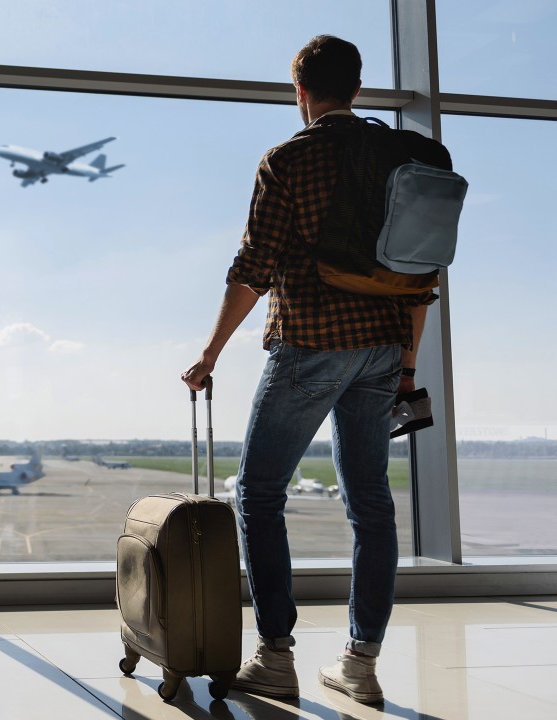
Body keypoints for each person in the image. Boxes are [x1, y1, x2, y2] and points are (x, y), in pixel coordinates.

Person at [181, 35, 440, 705]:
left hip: (313, 342)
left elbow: (253, 269)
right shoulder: (401, 158)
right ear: (356, 87)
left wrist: (210, 353)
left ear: (301, 93)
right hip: (384, 348)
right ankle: (361, 662)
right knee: (370, 504)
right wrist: (406, 366)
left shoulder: (288, 159)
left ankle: (275, 654)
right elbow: (421, 279)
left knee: (260, 493)